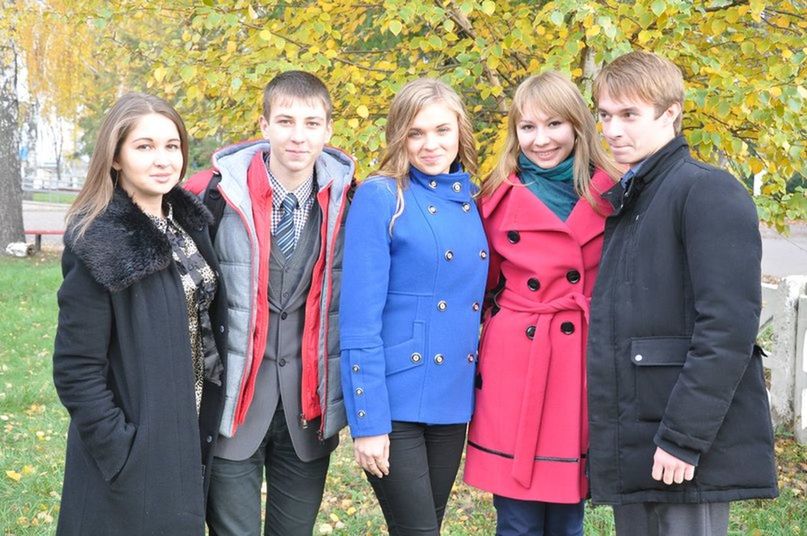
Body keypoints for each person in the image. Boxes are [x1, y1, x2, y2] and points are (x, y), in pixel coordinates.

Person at [586, 51, 778, 536]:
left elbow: (729, 328)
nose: (612, 130)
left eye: (629, 115)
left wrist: (682, 438)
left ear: (670, 112)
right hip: (641, 441)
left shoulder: (706, 191)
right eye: (605, 115)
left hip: (681, 449)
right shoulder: (634, 196)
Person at [184, 71, 354, 536]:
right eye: (285, 121)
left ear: (328, 130)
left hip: (307, 412)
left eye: (311, 123)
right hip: (234, 407)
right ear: (264, 125)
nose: (298, 135)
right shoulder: (215, 196)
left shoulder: (351, 202)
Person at [53, 92, 227, 535]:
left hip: (189, 427)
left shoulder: (188, 225)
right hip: (137, 445)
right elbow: (76, 368)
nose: (163, 159)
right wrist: (121, 449)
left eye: (172, 146)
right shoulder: (99, 239)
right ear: (115, 157)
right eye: (144, 146)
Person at [462, 71, 620, 536]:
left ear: (577, 126)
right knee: (516, 518)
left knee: (569, 513)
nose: (541, 139)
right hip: (518, 359)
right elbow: (482, 285)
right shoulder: (494, 197)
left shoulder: (613, 192)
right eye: (528, 127)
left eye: (554, 125)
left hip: (579, 358)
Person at [339, 78, 488, 535]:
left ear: (460, 130)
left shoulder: (472, 198)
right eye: (416, 133)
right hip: (396, 400)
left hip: (450, 399)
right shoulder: (383, 195)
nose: (430, 145)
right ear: (398, 136)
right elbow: (359, 320)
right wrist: (367, 423)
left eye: (442, 130)